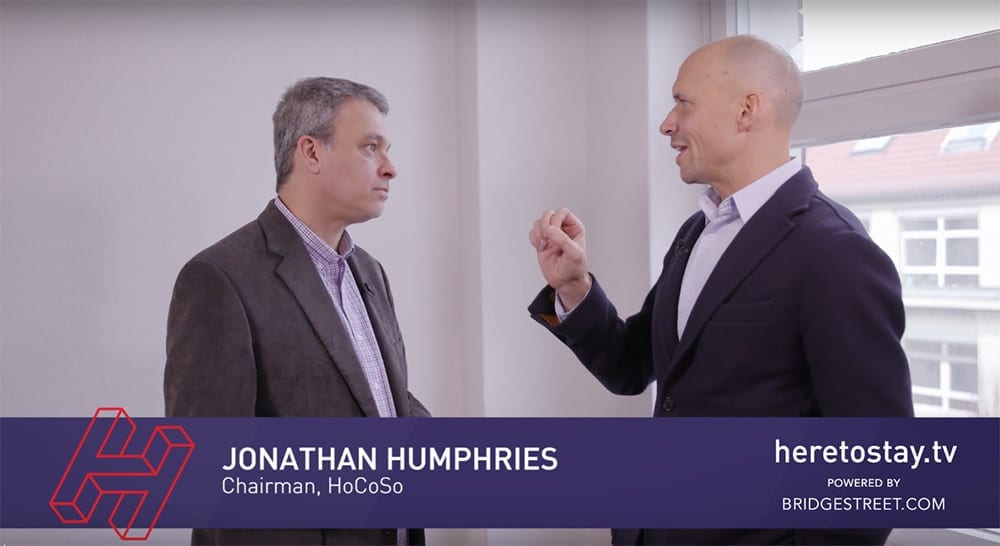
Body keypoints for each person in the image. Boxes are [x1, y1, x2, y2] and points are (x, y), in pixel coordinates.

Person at [527, 35, 913, 546]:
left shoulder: (835, 251)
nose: (667, 124)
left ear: (746, 111)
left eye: (683, 103)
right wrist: (574, 287)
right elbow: (632, 366)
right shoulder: (697, 232)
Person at [165, 77, 430, 546]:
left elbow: (384, 405)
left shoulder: (370, 272)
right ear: (311, 152)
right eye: (371, 148)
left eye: (387, 150)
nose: (390, 169)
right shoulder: (219, 278)